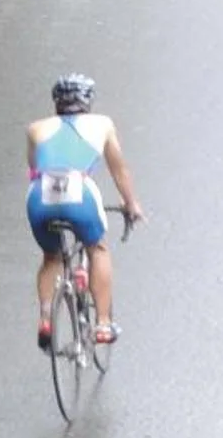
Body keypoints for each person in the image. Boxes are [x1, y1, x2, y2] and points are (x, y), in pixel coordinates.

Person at [27, 74, 146, 348]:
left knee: (51, 258)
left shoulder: (35, 129)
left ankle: (45, 317)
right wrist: (131, 204)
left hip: (39, 194)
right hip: (80, 191)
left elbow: (33, 170)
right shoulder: (102, 124)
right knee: (97, 249)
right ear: (88, 101)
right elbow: (119, 169)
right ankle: (103, 323)